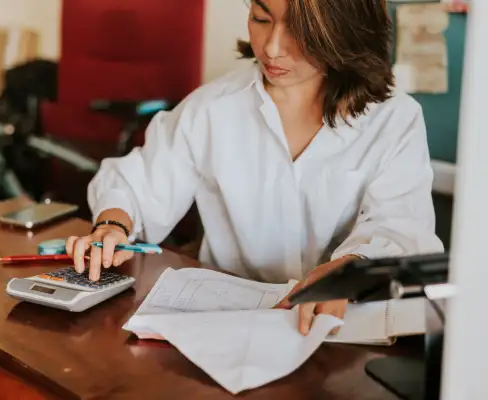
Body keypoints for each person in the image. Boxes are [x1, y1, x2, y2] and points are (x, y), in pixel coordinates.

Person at [66, 0, 444, 335]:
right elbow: (138, 184)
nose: (273, 47)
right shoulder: (213, 107)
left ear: (343, 29)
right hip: (229, 327)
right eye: (261, 18)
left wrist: (349, 266)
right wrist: (113, 225)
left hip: (342, 333)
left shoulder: (394, 118)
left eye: (299, 29)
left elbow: (400, 225)